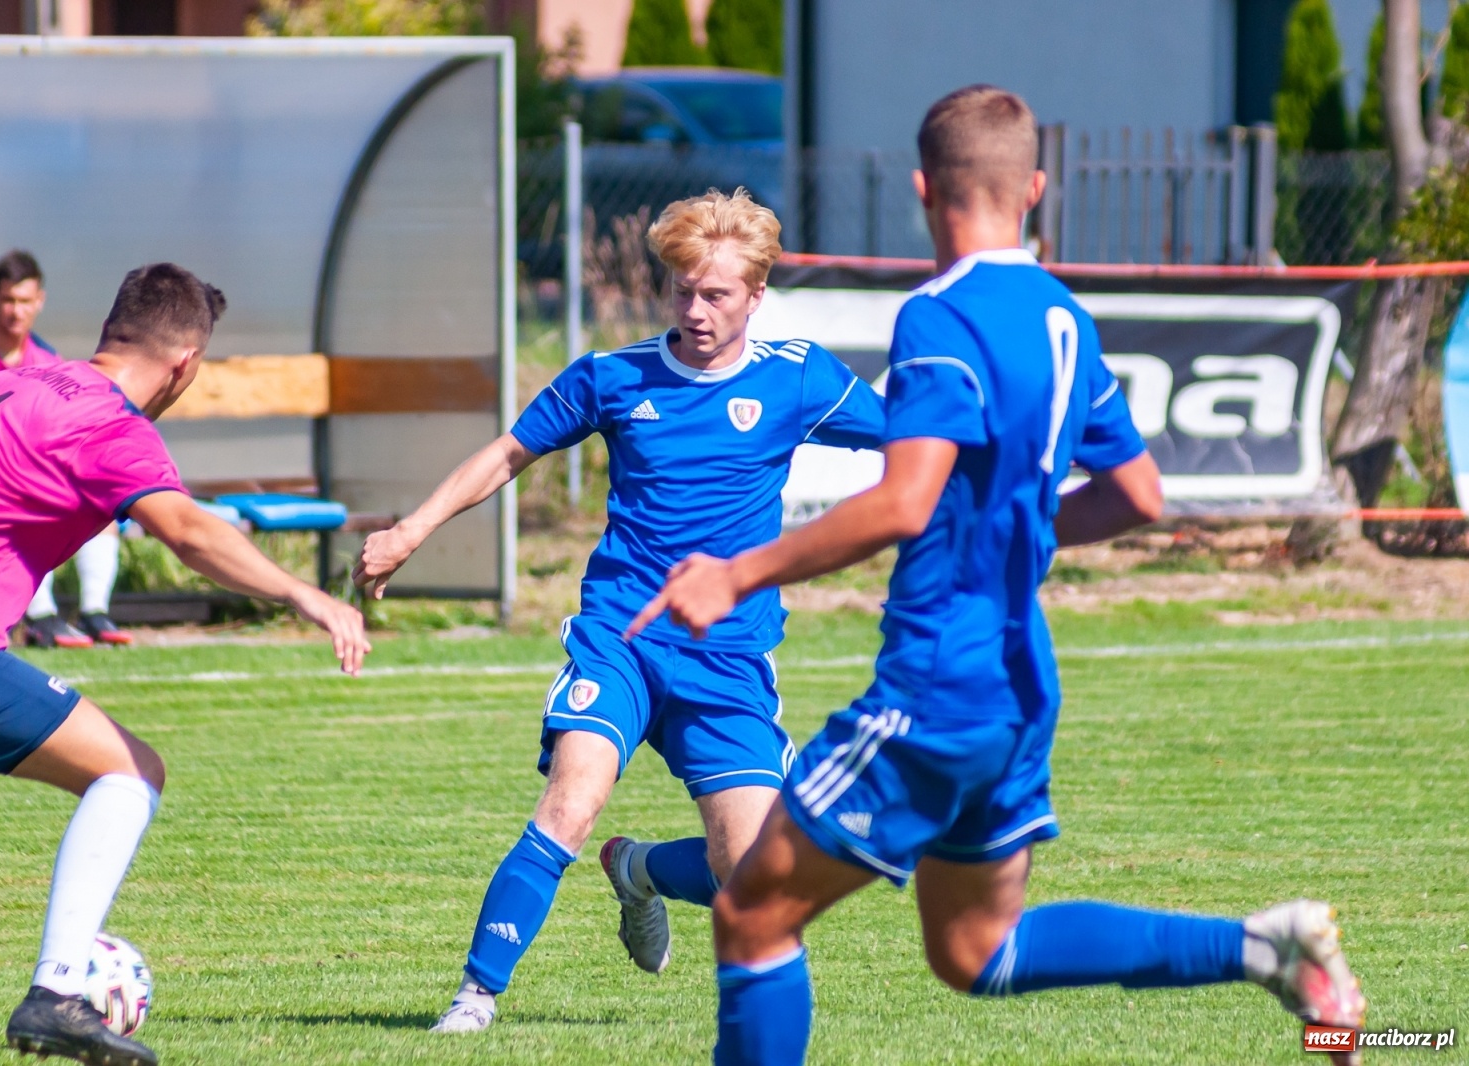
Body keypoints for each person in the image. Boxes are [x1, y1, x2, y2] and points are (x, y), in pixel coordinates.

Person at [630, 87, 1367, 1066]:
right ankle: (1262, 947)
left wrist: (736, 574)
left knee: (753, 913)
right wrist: (1014, 534)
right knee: (978, 950)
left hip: (938, 684)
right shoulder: (1062, 316)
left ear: (922, 190)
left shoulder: (941, 315)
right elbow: (1139, 494)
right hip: (1021, 687)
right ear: (1036, 189)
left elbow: (903, 502)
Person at [352, 189, 885, 1033]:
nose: (696, 310)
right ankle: (474, 998)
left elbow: (918, 443)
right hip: (622, 639)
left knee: (758, 875)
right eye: (683, 290)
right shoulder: (613, 377)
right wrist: (411, 529)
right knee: (571, 802)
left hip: (727, 656)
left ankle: (638, 871)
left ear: (756, 295)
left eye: (716, 294)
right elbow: (508, 453)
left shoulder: (799, 378)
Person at [0, 263, 370, 1066]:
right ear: (186, 363)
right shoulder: (107, 422)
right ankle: (57, 994)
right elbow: (189, 531)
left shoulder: (6, 384)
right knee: (130, 770)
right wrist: (306, 595)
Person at [0, 249, 129, 649]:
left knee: (99, 506)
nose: (15, 311)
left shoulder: (48, 361)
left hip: (22, 476)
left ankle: (94, 613)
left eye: (24, 301)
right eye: (7, 300)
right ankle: (40, 616)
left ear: (40, 301)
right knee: (25, 503)